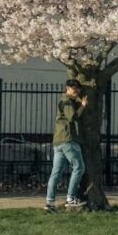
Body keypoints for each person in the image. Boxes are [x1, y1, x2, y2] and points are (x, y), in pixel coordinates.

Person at [45, 79, 87, 212]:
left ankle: (50, 202)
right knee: (79, 167)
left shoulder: (64, 100)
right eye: (74, 89)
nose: (77, 92)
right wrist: (83, 105)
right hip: (68, 140)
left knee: (55, 173)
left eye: (78, 89)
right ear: (67, 89)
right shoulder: (67, 101)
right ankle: (71, 198)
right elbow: (73, 117)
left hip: (58, 142)